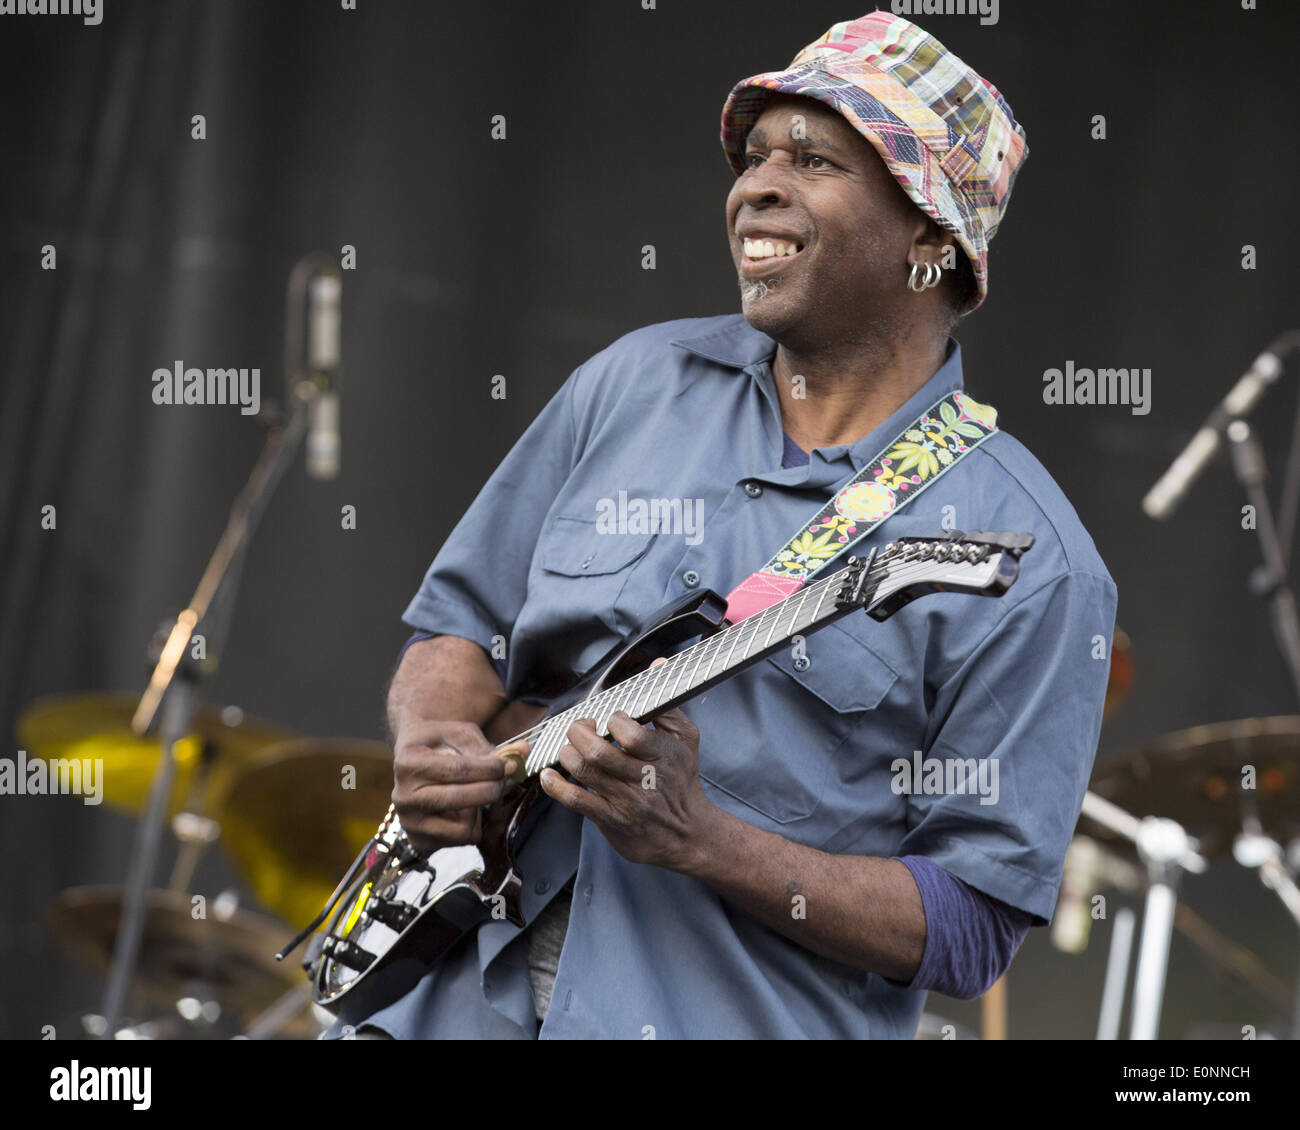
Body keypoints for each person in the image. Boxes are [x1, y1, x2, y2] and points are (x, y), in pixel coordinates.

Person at [326, 11, 1116, 1040]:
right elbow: (463, 629)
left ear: (930, 238)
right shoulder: (631, 383)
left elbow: (972, 923)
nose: (758, 185)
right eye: (755, 158)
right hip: (437, 1003)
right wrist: (428, 733)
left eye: (815, 159)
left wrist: (702, 838)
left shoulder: (1037, 563)